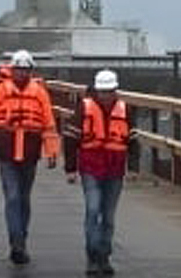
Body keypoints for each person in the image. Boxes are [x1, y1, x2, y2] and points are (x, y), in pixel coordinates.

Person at [0, 49, 58, 265]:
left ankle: (22, 238)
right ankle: (16, 244)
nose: (22, 73)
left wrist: (52, 151)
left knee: (24, 198)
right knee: (13, 197)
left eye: (25, 70)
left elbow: (48, 124)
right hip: (7, 151)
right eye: (18, 69)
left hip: (29, 151)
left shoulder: (39, 93)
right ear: (12, 70)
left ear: (30, 71)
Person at [64, 69, 132, 276]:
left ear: (115, 90)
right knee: (93, 210)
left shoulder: (125, 109)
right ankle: (92, 256)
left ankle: (105, 256)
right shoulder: (84, 108)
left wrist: (134, 167)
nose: (106, 95)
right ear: (96, 90)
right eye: (103, 91)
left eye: (109, 91)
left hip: (115, 168)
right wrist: (70, 168)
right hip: (91, 166)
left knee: (109, 216)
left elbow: (134, 139)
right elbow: (70, 138)